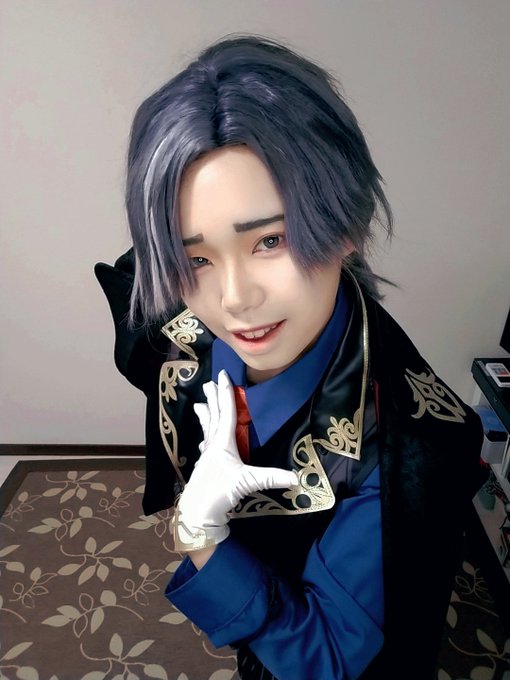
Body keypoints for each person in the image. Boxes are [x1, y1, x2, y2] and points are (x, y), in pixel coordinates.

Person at [95, 35, 484, 680]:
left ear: (346, 224)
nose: (234, 299)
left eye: (270, 241)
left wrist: (203, 539)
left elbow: (327, 657)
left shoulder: (406, 452)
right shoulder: (171, 311)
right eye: (196, 257)